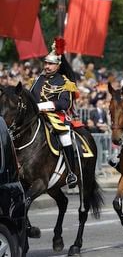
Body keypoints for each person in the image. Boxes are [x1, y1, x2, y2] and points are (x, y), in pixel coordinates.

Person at [30, 37, 79, 187]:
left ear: (58, 65)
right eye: (46, 63)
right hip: (37, 115)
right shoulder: (39, 79)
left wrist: (44, 105)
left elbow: (66, 102)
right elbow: (31, 95)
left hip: (56, 116)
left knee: (65, 137)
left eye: (51, 64)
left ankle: (71, 173)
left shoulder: (65, 81)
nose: (47, 66)